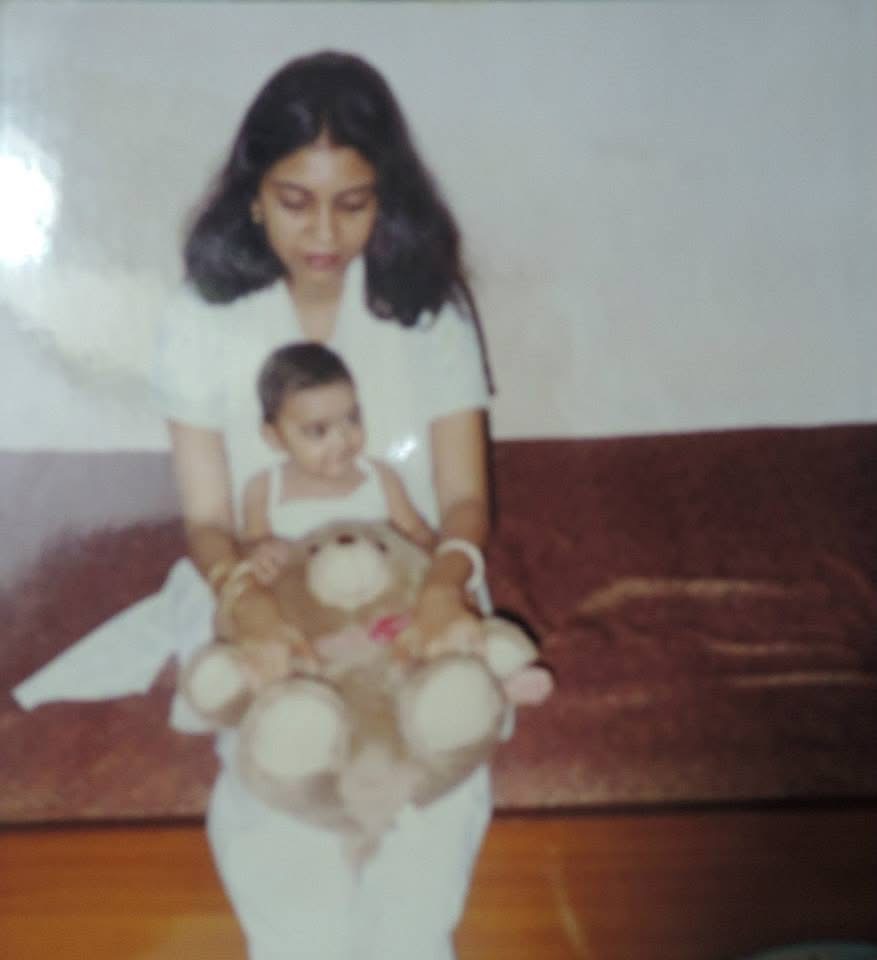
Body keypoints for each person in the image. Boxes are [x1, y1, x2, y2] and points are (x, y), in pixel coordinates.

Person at [153, 50, 495, 959]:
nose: (323, 231)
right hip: (249, 568)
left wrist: (442, 590)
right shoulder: (200, 314)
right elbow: (206, 522)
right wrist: (250, 607)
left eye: (352, 202)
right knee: (277, 747)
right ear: (253, 196)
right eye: (295, 200)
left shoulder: (428, 309)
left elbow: (464, 498)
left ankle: (411, 940)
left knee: (438, 750)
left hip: (411, 566)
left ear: (386, 199)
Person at [242, 341, 436, 589]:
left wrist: (426, 558)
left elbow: (419, 535)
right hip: (305, 603)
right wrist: (261, 552)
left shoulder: (380, 478)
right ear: (274, 437)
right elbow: (250, 550)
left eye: (352, 419)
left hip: (383, 599)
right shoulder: (264, 489)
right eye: (318, 430)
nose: (342, 440)